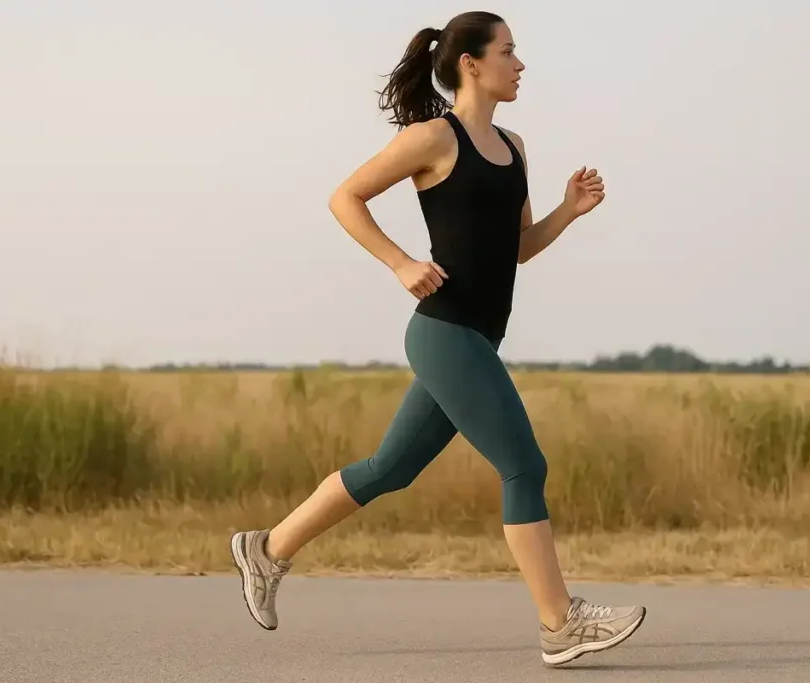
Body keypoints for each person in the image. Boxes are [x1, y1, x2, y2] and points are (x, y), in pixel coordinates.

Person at [229, 10, 646, 666]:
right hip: (443, 331)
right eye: (509, 51)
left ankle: (267, 548)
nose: (520, 63)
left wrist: (568, 210)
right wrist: (399, 262)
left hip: (479, 334)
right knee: (524, 465)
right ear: (471, 64)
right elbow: (345, 197)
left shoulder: (514, 149)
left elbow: (518, 250)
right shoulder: (433, 139)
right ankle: (560, 622)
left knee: (389, 469)